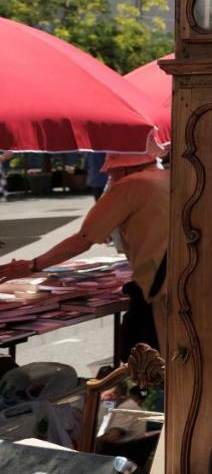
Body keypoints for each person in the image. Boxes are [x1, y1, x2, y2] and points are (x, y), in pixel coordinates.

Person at [0, 140, 169, 354]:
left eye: (111, 173)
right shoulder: (168, 178)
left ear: (124, 168)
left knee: (141, 358)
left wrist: (32, 265)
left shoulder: (130, 185)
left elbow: (81, 240)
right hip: (178, 281)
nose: (109, 178)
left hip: (157, 287)